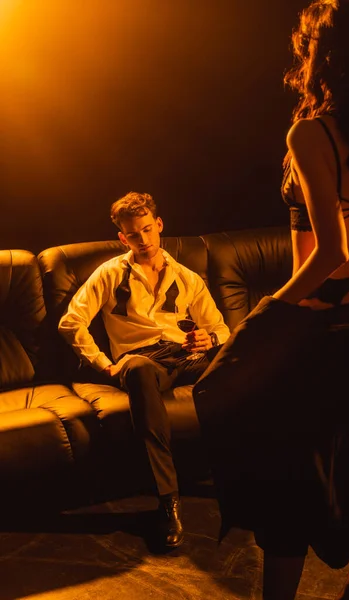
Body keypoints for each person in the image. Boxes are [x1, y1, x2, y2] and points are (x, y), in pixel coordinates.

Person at [193, 1, 349, 599]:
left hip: (323, 320)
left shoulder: (311, 131)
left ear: (320, 55)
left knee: (285, 475)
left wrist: (268, 313)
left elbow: (329, 250)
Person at [58, 191, 230, 551]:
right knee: (136, 369)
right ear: (123, 237)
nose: (144, 240)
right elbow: (71, 322)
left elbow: (222, 328)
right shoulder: (110, 274)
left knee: (241, 357)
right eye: (134, 234)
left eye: (148, 230)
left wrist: (207, 339)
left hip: (183, 354)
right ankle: (168, 501)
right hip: (143, 360)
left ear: (159, 225)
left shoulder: (186, 276)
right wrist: (105, 364)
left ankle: (253, 474)